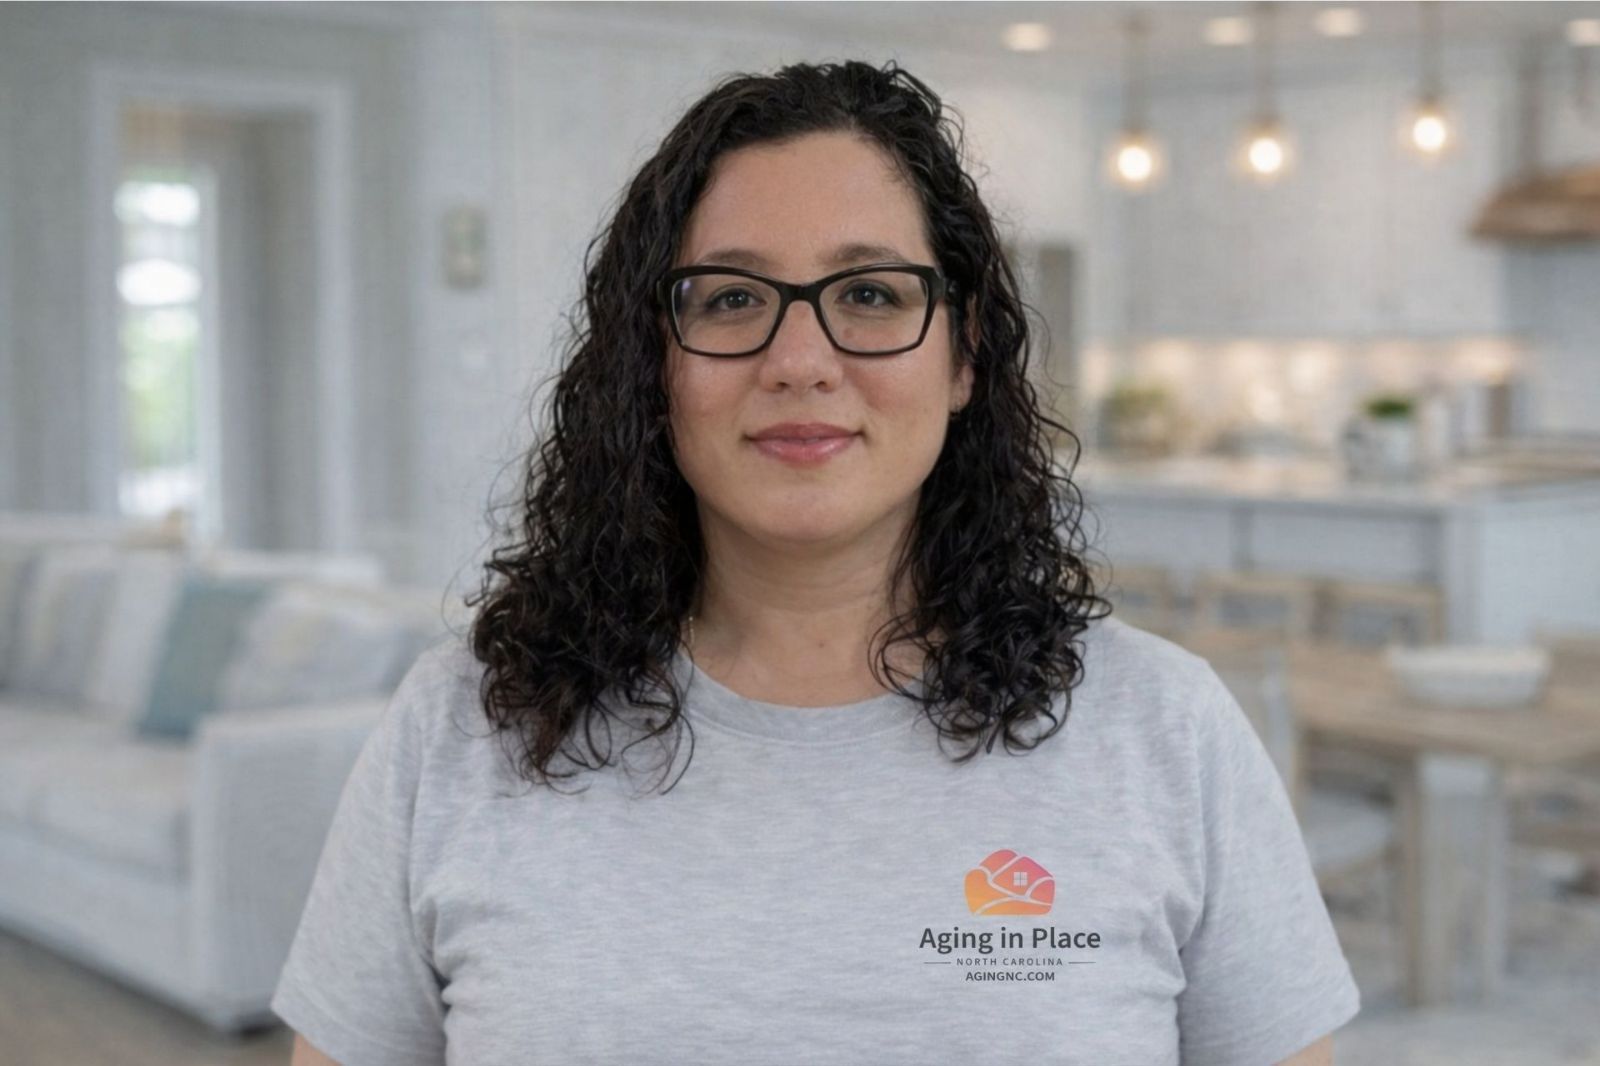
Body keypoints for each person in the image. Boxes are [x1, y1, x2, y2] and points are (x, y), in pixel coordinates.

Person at [273, 59, 1358, 1066]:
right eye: (732, 299)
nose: (801, 361)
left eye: (871, 295)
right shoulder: (460, 726)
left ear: (964, 352)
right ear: (652, 362)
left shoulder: (1164, 729)